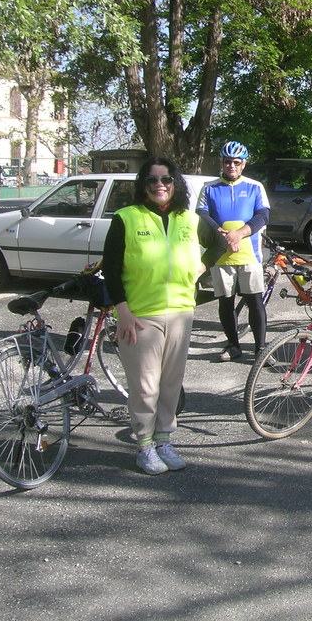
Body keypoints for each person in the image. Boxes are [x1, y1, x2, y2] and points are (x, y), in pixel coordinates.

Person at [102, 158, 213, 475]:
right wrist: (121, 308)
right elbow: (110, 268)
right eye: (152, 180)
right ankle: (145, 446)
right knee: (145, 387)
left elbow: (221, 242)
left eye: (166, 179)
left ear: (176, 183)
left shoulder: (189, 219)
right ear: (143, 184)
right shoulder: (126, 217)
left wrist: (204, 266)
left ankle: (164, 440)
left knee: (170, 385)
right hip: (140, 315)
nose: (159, 185)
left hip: (180, 312)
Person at [196, 141, 271, 362]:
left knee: (254, 301)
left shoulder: (255, 186)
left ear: (244, 164)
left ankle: (260, 349)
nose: (231, 166)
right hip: (221, 254)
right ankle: (233, 345)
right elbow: (203, 215)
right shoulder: (209, 187)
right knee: (225, 302)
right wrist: (224, 234)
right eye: (227, 162)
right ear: (222, 162)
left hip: (249, 254)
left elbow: (263, 216)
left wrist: (238, 234)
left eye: (236, 162)